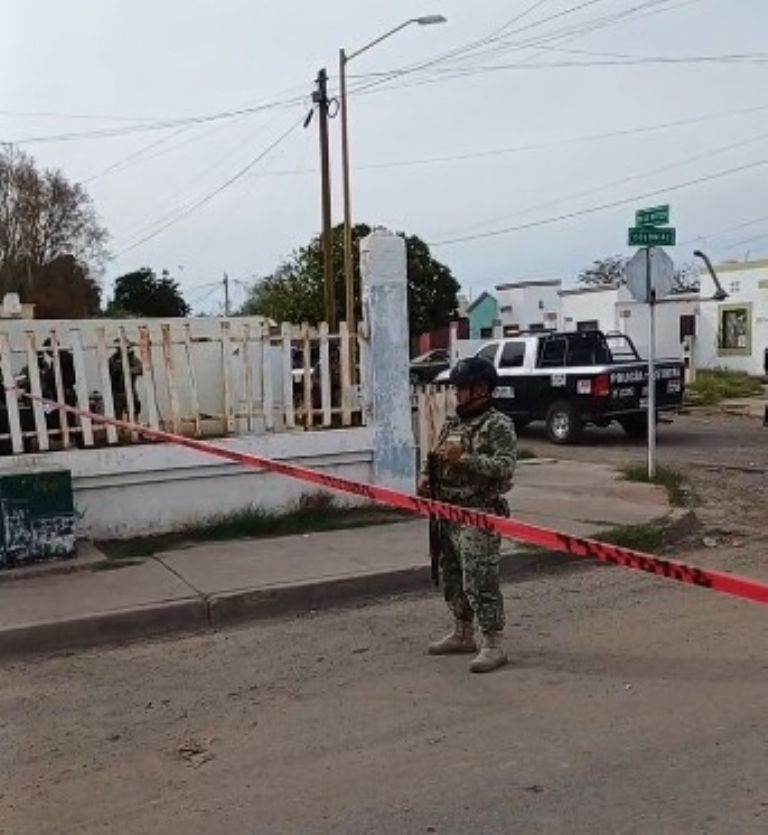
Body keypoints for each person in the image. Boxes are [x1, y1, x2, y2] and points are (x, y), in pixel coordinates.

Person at [418, 356, 517, 674]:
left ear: (482, 389)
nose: (456, 393)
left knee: (480, 580)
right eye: (456, 387)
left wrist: (467, 459)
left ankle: (493, 643)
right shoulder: (454, 423)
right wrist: (425, 478)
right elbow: (436, 454)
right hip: (447, 513)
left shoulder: (498, 425)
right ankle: (463, 633)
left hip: (478, 514)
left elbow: (505, 468)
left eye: (462, 388)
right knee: (452, 577)